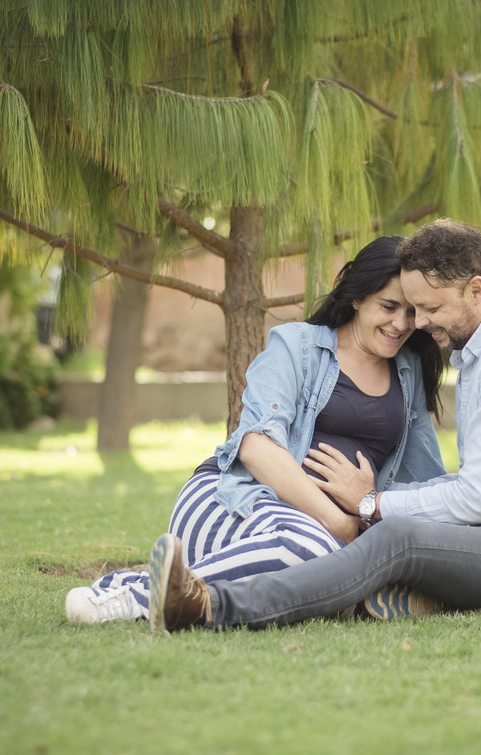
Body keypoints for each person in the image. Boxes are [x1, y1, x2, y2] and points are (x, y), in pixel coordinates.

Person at [149, 218, 481, 633]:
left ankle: (210, 607)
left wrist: (369, 503)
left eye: (428, 308)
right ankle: (398, 599)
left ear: (476, 290)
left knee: (396, 537)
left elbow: (471, 499)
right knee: (394, 536)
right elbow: (459, 490)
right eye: (411, 307)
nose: (419, 324)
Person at [65, 235, 447, 624]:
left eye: (411, 312)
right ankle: (136, 598)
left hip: (322, 532)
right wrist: (341, 524)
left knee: (333, 562)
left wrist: (370, 502)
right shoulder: (297, 346)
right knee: (315, 551)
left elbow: (428, 477)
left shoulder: (408, 371)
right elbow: (256, 447)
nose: (401, 324)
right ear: (357, 297)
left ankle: (158, 585)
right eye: (389, 306)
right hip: (235, 500)